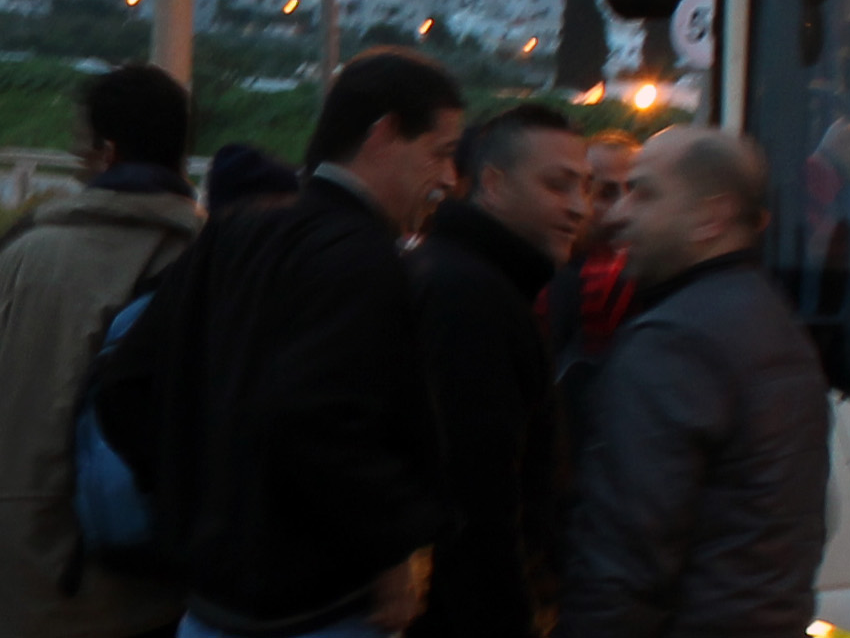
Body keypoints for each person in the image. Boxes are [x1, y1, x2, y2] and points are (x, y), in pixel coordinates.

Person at [96, 49, 464, 638]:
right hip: (321, 612)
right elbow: (314, 418)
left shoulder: (234, 233)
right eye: (440, 153)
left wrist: (200, 504)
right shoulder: (364, 260)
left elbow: (124, 385)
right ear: (385, 133)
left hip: (206, 610)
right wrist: (394, 547)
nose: (449, 178)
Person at [558, 129, 829, 638]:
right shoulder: (770, 319)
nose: (617, 214)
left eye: (645, 193)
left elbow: (625, 555)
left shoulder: (674, 339)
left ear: (712, 217)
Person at [0, 65, 200, 638]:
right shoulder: (215, 263)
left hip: (26, 582)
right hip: (157, 587)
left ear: (106, 154)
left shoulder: (25, 258)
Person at [408, 105, 589, 638]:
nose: (580, 208)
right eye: (559, 187)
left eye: (585, 187)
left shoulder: (465, 277)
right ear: (492, 183)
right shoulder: (473, 300)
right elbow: (481, 498)